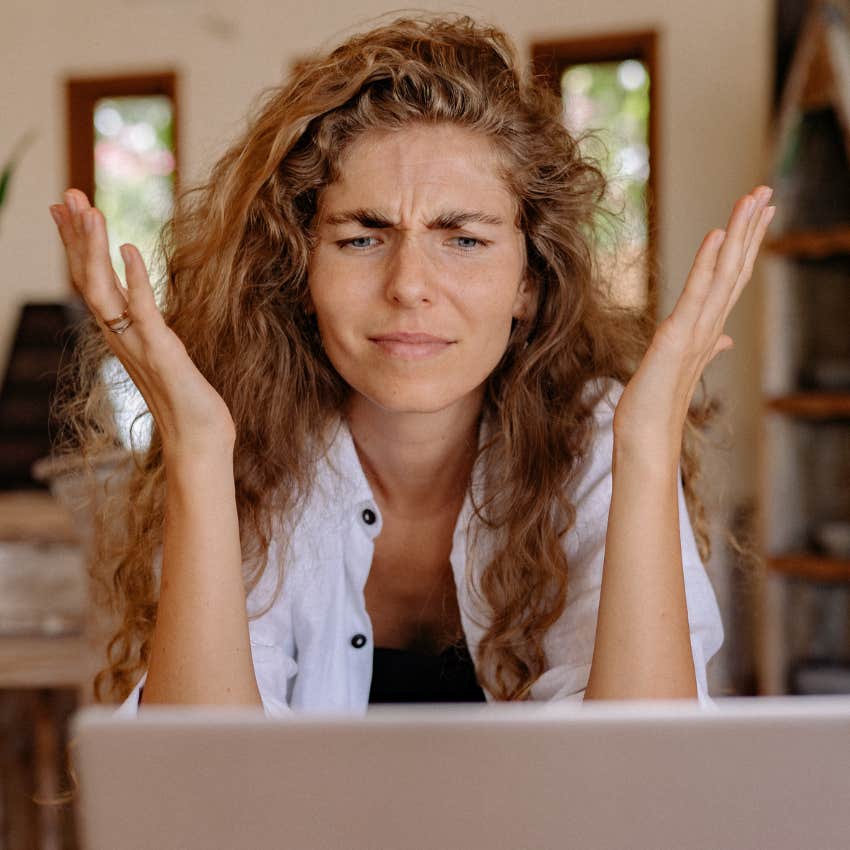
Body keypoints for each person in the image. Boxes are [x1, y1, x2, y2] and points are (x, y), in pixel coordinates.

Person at [48, 14, 773, 714]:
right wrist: (199, 451)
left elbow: (640, 793)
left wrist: (646, 443)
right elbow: (200, 795)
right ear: (301, 272)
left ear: (528, 282)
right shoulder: (247, 445)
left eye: (463, 239)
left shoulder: (593, 437)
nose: (409, 285)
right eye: (363, 238)